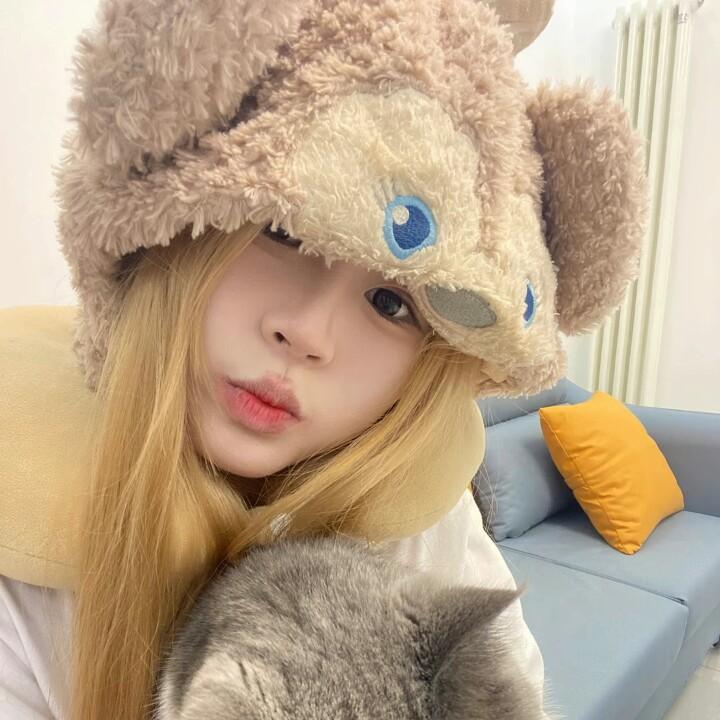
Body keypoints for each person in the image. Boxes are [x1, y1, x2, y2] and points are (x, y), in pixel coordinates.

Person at [0, 1, 647, 719]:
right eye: (282, 231)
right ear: (170, 229)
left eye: (392, 303)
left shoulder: (427, 525)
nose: (309, 332)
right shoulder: (25, 579)